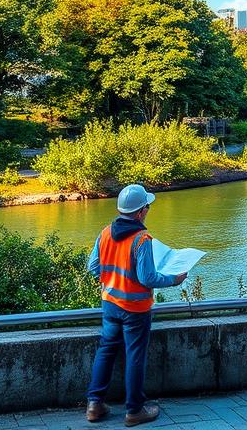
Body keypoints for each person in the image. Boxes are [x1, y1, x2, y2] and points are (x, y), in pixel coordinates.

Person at [85, 183, 188, 426]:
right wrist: (174, 279)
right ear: (141, 212)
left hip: (110, 304)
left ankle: (94, 405)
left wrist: (113, 279)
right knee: (135, 356)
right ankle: (134, 411)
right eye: (147, 207)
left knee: (106, 350)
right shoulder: (142, 239)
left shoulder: (105, 232)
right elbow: (147, 278)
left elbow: (93, 267)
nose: (148, 210)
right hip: (135, 309)